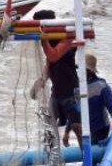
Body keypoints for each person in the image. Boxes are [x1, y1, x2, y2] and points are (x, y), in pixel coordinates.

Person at [34, 9, 80, 145]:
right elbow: (49, 63)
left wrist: (43, 41)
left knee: (78, 127)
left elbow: (53, 56)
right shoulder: (49, 39)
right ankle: (52, 161)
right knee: (48, 125)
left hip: (71, 91)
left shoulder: (67, 37)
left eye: (40, 26)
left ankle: (86, 161)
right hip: (57, 91)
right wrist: (41, 80)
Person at [62, 53, 112, 147]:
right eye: (79, 69)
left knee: (90, 155)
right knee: (87, 153)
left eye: (83, 70)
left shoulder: (102, 86)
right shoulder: (77, 89)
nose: (79, 72)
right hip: (85, 129)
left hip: (100, 129)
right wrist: (66, 133)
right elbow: (74, 114)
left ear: (89, 71)